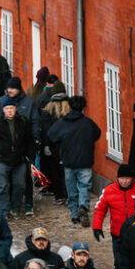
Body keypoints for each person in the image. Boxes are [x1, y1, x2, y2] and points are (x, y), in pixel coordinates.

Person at [47, 96, 102, 226]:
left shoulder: (62, 122)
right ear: (83, 107)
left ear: (70, 106)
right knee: (84, 186)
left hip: (68, 161)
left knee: (71, 188)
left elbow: (51, 135)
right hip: (85, 160)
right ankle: (83, 206)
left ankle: (74, 214)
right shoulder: (88, 122)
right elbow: (97, 134)